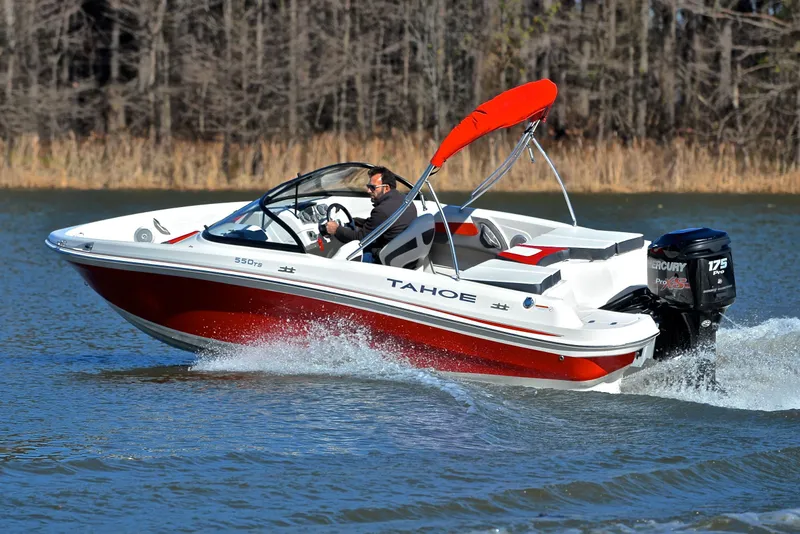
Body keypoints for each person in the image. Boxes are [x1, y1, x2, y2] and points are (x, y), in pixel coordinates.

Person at [325, 166, 417, 263]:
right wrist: (355, 221)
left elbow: (359, 239)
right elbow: (378, 224)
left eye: (372, 187)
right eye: (368, 187)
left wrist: (336, 230)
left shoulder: (382, 211)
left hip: (382, 258)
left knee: (346, 253)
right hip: (402, 252)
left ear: (386, 188)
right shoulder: (405, 200)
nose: (368, 191)